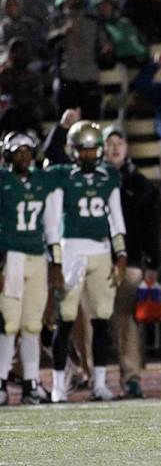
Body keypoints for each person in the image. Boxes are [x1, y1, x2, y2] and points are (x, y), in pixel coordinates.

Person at [47, 120, 127, 403]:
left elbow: (116, 218)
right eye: (84, 150)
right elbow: (54, 221)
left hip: (102, 251)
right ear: (72, 150)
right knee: (66, 320)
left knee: (102, 321)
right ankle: (58, 386)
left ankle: (100, 383)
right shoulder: (61, 176)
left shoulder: (109, 177)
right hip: (71, 251)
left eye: (93, 150)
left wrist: (121, 254)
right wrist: (56, 261)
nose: (89, 156)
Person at [0, 132, 62, 406]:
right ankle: (1, 384)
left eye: (27, 150)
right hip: (10, 258)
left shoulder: (42, 181)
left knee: (32, 326)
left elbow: (51, 226)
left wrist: (57, 262)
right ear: (7, 155)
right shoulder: (3, 182)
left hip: (37, 257)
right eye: (17, 151)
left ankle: (31, 384)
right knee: (8, 324)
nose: (23, 155)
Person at [102, 125, 160, 399]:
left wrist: (152, 264)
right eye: (109, 142)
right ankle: (91, 376)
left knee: (126, 322)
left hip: (131, 260)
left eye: (119, 142)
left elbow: (151, 227)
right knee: (88, 321)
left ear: (126, 148)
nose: (114, 147)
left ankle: (131, 377)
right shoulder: (88, 179)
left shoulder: (139, 183)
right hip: (94, 257)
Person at [48, 0, 113, 120]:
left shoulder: (94, 20)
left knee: (91, 121)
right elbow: (48, 43)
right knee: (66, 121)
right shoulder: (58, 20)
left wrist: (107, 51)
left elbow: (105, 44)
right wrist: (62, 32)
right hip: (67, 77)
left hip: (89, 77)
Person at [91, 0, 148, 68]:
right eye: (99, 6)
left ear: (111, 4)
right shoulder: (101, 28)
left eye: (105, 3)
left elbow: (140, 39)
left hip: (143, 60)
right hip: (124, 65)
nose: (104, 8)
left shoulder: (124, 20)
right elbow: (103, 51)